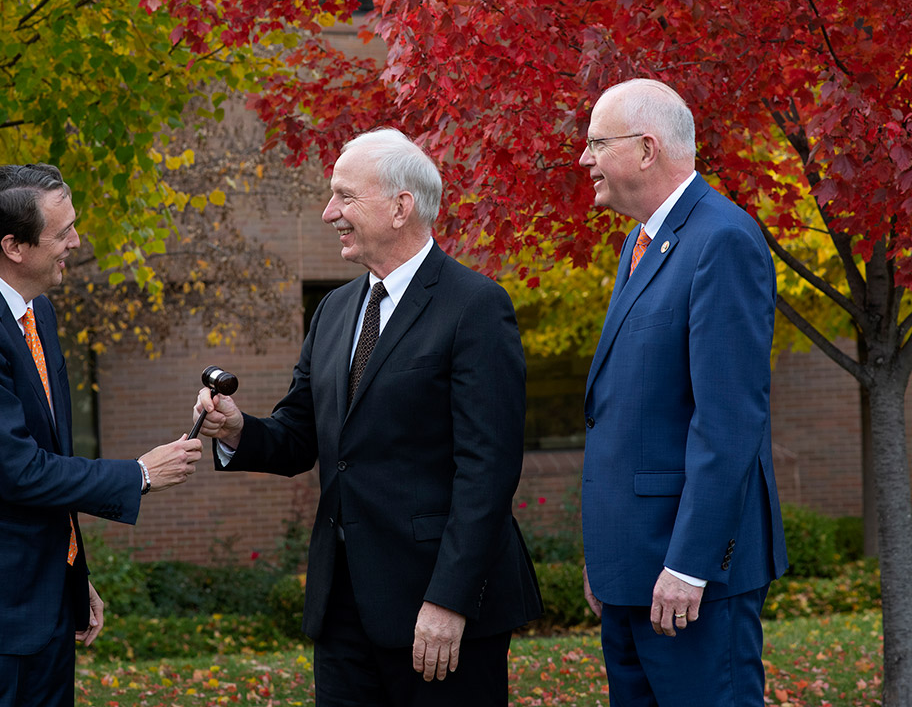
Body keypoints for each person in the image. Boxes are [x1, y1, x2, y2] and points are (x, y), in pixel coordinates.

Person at [194, 128, 542, 706]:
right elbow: (299, 436)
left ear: (401, 207)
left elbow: (488, 470)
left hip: (440, 609)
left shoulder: (475, 306)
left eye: (345, 197)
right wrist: (236, 429)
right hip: (343, 609)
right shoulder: (334, 310)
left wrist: (449, 599)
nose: (330, 212)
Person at [0, 163, 202, 707]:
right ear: (13, 246)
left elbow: (49, 460)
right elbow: (19, 472)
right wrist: (139, 475)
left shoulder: (38, 312)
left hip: (39, 602)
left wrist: (69, 573)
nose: (76, 241)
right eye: (62, 232)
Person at [578, 78, 788, 706]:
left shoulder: (722, 239)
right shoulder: (639, 244)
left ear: (646, 149)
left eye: (596, 144)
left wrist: (691, 563)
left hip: (690, 581)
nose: (583, 159)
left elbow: (727, 422)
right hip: (634, 572)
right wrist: (608, 555)